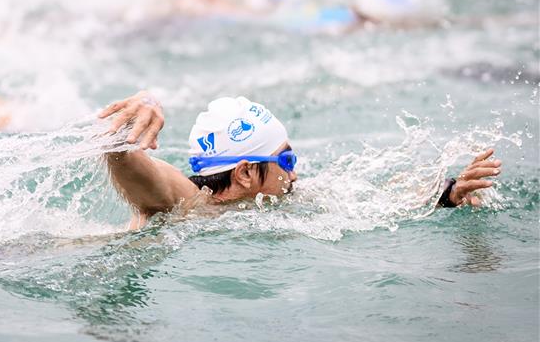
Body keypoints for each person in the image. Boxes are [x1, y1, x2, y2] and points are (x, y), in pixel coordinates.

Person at [98, 90, 502, 229]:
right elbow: (132, 164)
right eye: (286, 159)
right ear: (243, 173)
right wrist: (134, 115)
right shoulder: (186, 201)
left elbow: (378, 201)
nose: (295, 170)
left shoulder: (280, 200)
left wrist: (448, 193)